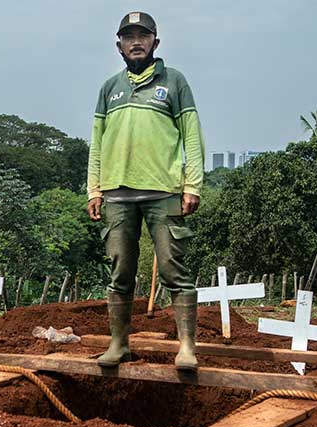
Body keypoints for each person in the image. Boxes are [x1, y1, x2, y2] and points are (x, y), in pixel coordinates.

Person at [86, 11, 205, 371]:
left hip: (163, 192)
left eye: (143, 35)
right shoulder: (110, 88)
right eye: (128, 36)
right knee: (120, 270)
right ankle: (119, 343)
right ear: (119, 45)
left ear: (156, 41)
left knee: (173, 269)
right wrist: (94, 189)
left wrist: (192, 184)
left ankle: (186, 348)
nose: (135, 41)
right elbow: (96, 142)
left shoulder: (174, 82)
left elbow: (192, 134)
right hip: (116, 194)